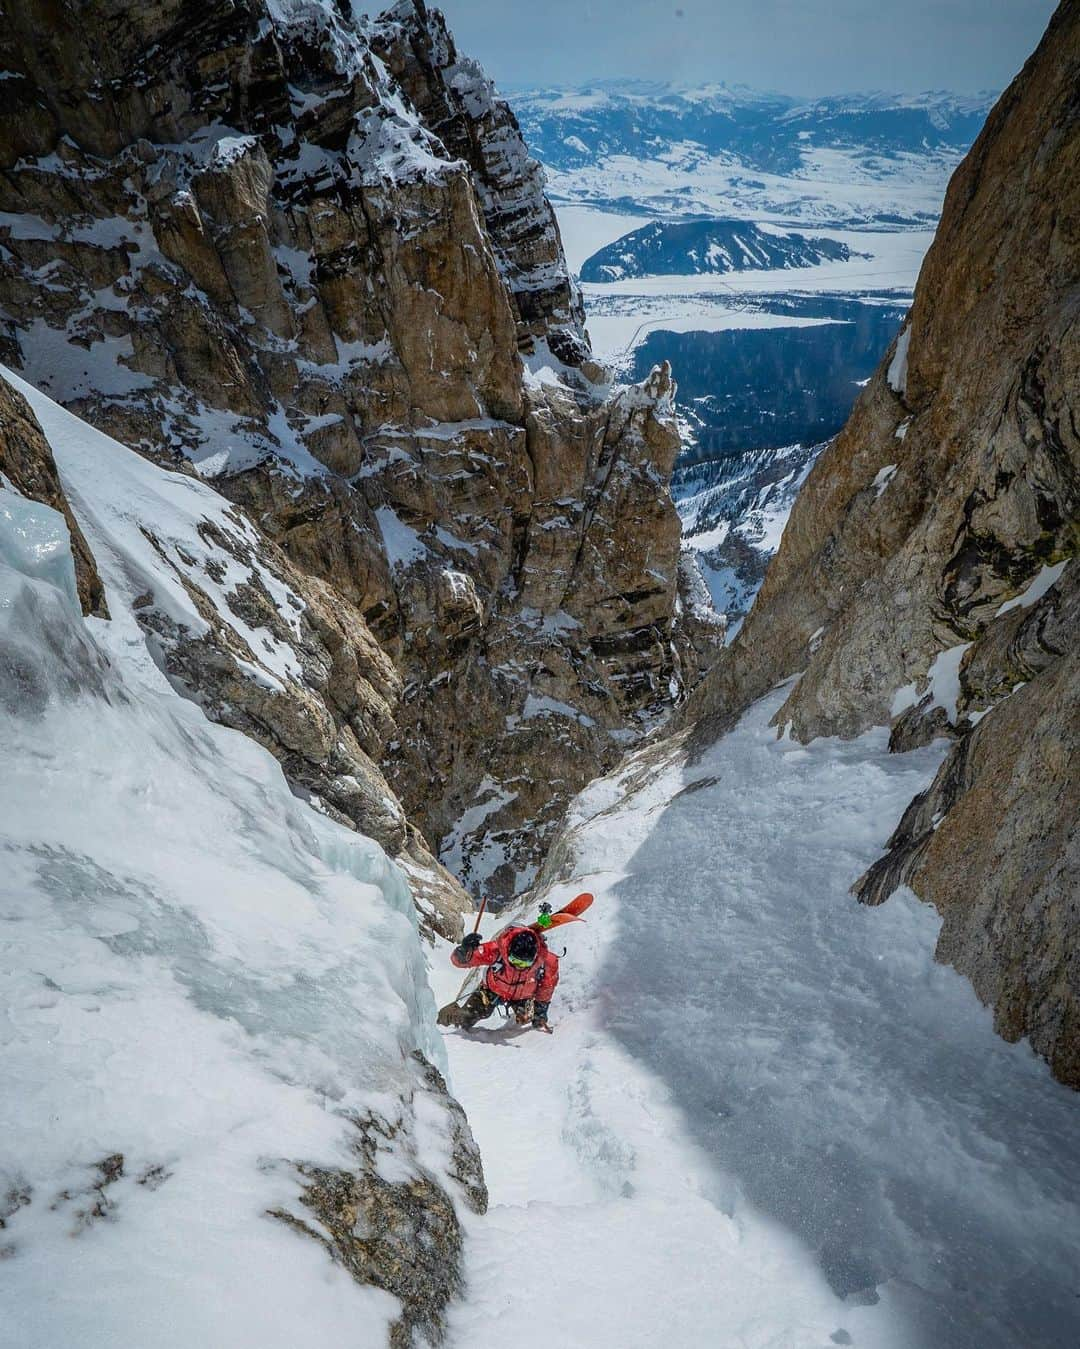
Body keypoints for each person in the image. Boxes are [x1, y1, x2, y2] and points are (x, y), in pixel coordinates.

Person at [437, 924, 559, 1032]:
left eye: (525, 964)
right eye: (514, 961)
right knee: (466, 1017)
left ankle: (523, 1014)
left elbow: (546, 988)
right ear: (509, 952)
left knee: (526, 1018)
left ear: (535, 957)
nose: (519, 967)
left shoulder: (547, 961)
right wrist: (463, 952)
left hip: (523, 997)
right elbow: (459, 962)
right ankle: (438, 1019)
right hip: (492, 991)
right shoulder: (497, 950)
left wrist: (540, 1012)